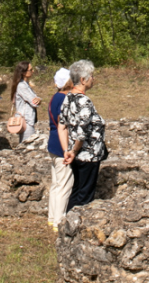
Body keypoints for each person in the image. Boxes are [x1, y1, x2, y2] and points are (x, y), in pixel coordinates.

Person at [59, 60, 106, 211]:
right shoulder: (84, 101)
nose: (93, 79)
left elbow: (62, 126)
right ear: (83, 80)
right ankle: (75, 229)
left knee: (77, 190)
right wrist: (72, 151)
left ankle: (66, 224)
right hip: (87, 155)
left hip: (77, 154)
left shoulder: (68, 98)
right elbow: (81, 133)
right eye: (91, 76)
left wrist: (67, 150)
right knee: (84, 196)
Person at [46, 68, 73, 230]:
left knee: (56, 184)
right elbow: (64, 123)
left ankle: (52, 217)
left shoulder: (55, 97)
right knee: (64, 184)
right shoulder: (64, 99)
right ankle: (58, 221)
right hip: (62, 144)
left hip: (53, 141)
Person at [12, 61, 42, 141]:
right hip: (26, 120)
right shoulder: (22, 86)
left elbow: (36, 99)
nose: (32, 71)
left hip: (27, 120)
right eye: (30, 70)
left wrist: (39, 99)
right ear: (24, 72)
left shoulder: (26, 84)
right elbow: (34, 103)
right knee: (27, 144)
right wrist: (38, 100)